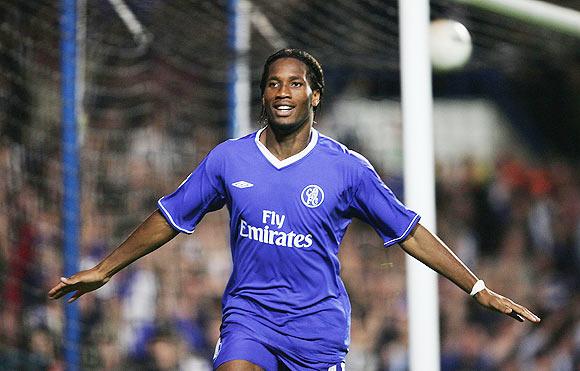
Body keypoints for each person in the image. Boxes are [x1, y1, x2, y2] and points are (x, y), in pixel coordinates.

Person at [49, 48, 540, 371]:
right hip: (249, 318)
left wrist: (476, 288)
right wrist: (104, 269)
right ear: (263, 94)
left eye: (295, 83)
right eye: (273, 84)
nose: (283, 92)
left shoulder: (347, 170)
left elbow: (409, 232)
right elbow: (170, 217)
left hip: (317, 327)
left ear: (315, 95)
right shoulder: (229, 158)